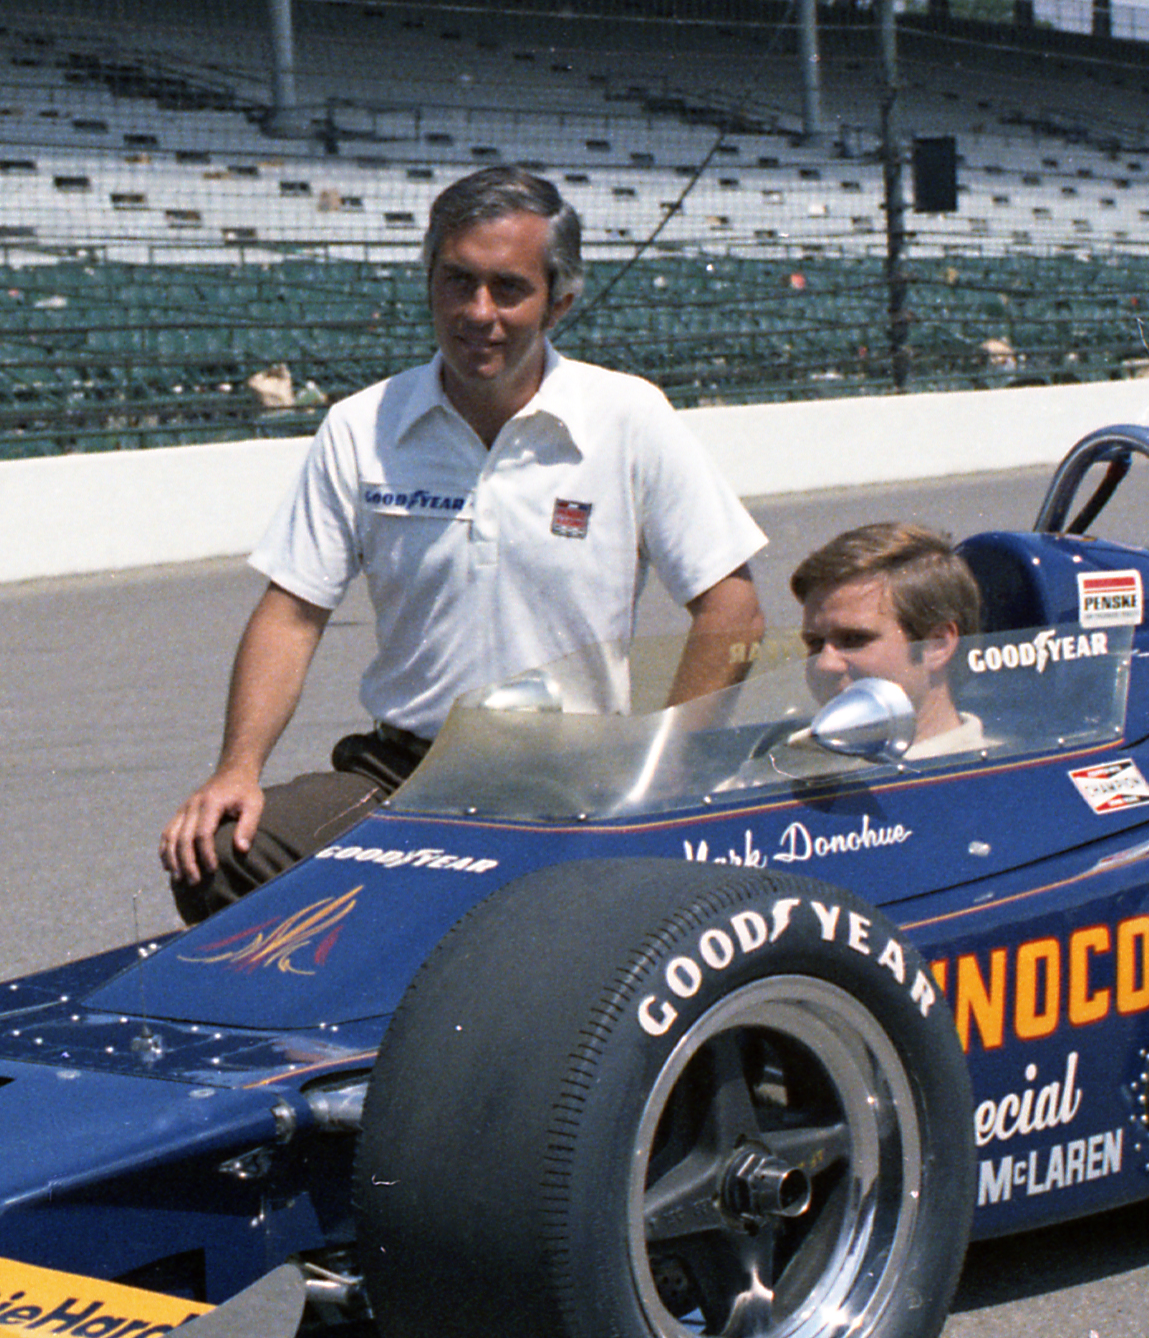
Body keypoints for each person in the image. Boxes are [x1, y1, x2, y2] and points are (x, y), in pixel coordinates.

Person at [160, 164, 767, 918]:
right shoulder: (361, 425)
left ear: (560, 303)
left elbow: (731, 609)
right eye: (458, 281)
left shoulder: (628, 417)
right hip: (403, 773)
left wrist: (663, 771)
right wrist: (236, 769)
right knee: (217, 855)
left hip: (573, 779)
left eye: (508, 288)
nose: (478, 311)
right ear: (429, 287)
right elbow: (291, 613)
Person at [790, 521, 987, 758]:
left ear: (938, 645)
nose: (824, 665)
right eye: (814, 644)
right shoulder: (781, 763)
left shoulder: (994, 779)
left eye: (853, 639)